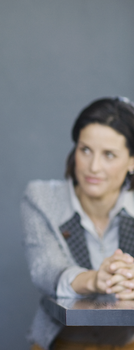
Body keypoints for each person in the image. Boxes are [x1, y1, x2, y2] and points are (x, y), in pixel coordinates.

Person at [22, 97, 134, 350]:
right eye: (85, 150)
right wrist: (96, 280)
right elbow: (46, 271)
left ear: (132, 161)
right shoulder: (41, 198)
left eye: (109, 155)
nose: (93, 167)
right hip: (61, 342)